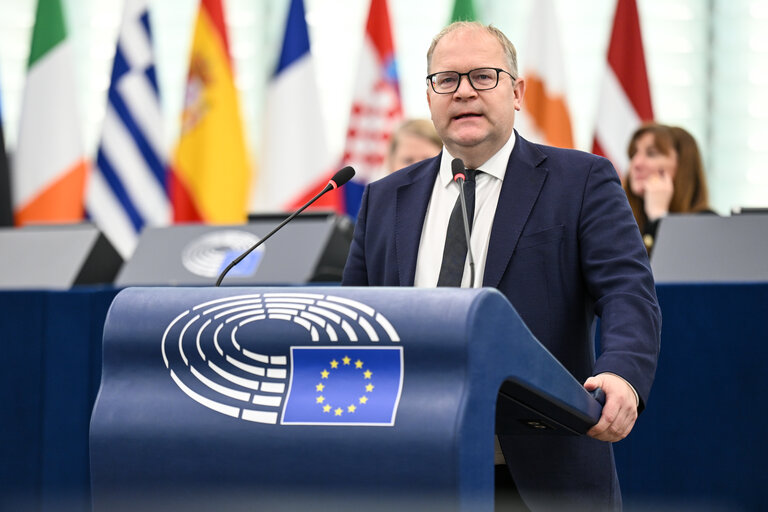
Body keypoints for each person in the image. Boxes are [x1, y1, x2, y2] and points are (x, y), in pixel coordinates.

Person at [342, 21, 660, 511]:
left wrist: (622, 373)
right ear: (429, 97)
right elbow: (356, 320)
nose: (464, 91)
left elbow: (627, 290)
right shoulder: (385, 199)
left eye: (483, 76)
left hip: (540, 470)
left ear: (516, 91)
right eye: (446, 80)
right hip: (409, 467)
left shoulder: (580, 180)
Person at [625, 123, 713, 252]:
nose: (636, 163)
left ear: (683, 166)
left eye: (651, 154)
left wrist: (658, 217)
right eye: (633, 154)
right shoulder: (621, 222)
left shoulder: (709, 225)